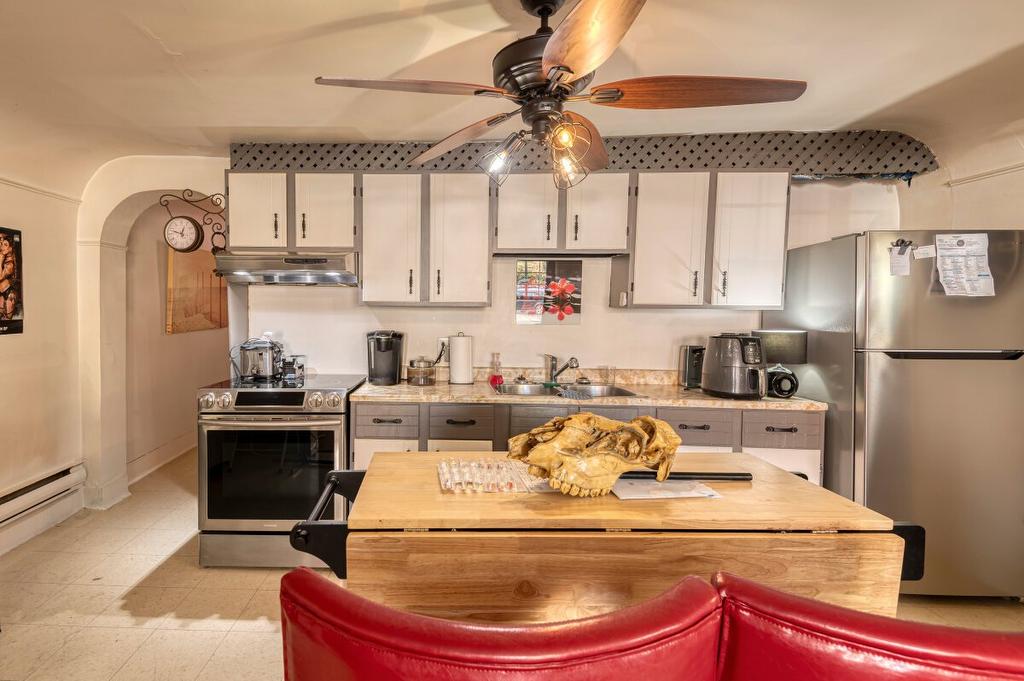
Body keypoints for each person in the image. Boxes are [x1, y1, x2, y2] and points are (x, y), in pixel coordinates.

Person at [0, 232, 19, 320]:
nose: (2, 247)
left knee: (7, 319)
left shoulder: (10, 263)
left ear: (10, 248)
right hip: (2, 293)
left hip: (9, 295)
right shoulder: (4, 258)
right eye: (1, 244)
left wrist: (1, 259)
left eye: (5, 245)